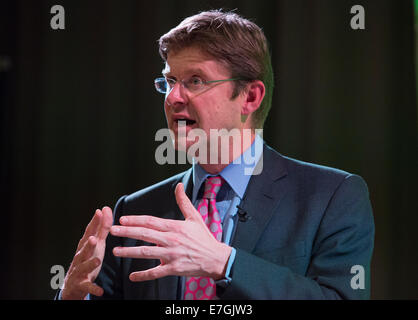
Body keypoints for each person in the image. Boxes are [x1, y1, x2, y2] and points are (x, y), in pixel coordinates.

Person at [59, 9, 374, 300]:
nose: (173, 98)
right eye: (169, 81)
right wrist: (71, 296)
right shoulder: (137, 210)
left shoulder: (332, 197)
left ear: (250, 96)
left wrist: (226, 263)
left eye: (195, 81)